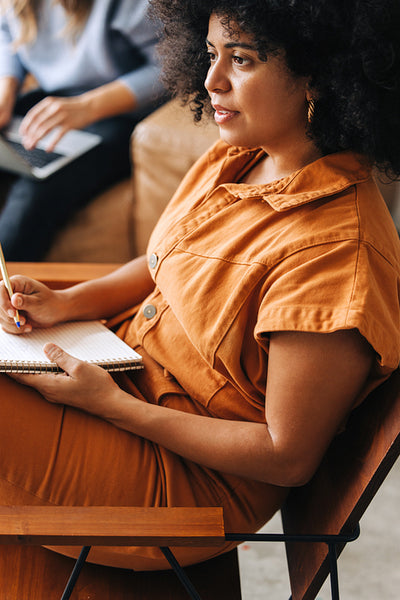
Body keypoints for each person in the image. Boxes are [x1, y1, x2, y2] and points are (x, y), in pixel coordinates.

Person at [0, 0, 399, 572]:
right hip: (117, 371)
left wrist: (116, 409)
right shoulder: (238, 155)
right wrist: (67, 302)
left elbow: (286, 457)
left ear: (319, 74)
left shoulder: (337, 254)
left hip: (179, 489)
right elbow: (164, 261)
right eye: (211, 53)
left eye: (242, 60)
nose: (211, 80)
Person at [0, 0, 166, 260]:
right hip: (52, 100)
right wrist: (6, 92)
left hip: (116, 112)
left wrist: (88, 106)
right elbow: (6, 34)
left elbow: (167, 68)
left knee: (35, 192)